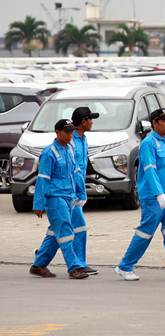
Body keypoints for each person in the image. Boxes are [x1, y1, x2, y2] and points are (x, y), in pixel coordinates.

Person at [115, 108, 165, 281]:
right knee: (145, 233)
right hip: (154, 198)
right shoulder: (148, 143)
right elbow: (149, 171)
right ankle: (125, 266)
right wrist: (159, 194)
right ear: (154, 123)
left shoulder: (164, 141)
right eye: (164, 120)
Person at [29, 119, 88, 279]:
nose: (70, 135)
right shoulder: (49, 153)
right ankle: (74, 267)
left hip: (68, 197)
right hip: (54, 198)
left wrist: (81, 194)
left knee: (55, 233)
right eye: (67, 132)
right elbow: (42, 179)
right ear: (57, 132)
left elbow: (75, 174)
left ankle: (38, 265)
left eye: (71, 131)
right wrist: (39, 203)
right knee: (66, 231)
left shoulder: (68, 149)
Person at [70, 106, 101, 275]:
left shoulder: (83, 139)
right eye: (90, 119)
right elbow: (72, 169)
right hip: (70, 191)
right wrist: (79, 193)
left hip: (77, 189)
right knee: (79, 227)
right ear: (83, 122)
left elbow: (83, 166)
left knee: (58, 229)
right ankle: (79, 263)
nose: (92, 122)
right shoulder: (71, 139)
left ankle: (40, 261)